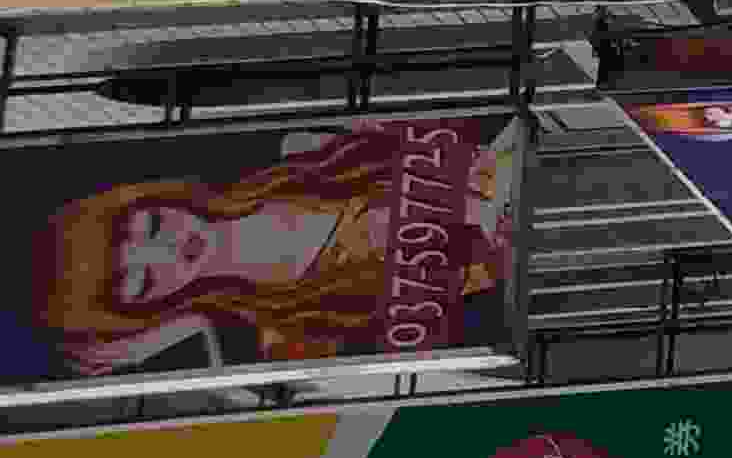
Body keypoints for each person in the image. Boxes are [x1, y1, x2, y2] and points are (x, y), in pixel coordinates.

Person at [28, 119, 513, 377]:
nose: (169, 248)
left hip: (527, 158)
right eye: (141, 281)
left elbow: (454, 121)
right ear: (149, 309)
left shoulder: (300, 151)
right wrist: (185, 325)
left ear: (154, 199)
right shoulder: (285, 338)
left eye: (151, 226)